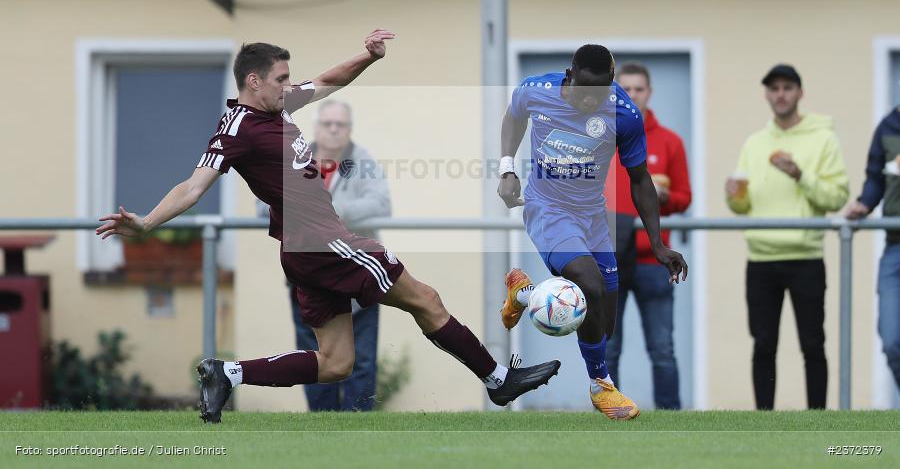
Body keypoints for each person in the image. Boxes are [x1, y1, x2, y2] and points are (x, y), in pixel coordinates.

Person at [97, 31, 560, 423]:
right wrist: (147, 224)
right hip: (324, 243)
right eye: (280, 79)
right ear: (253, 81)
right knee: (426, 299)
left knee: (336, 363)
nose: (288, 86)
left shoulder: (277, 106)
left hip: (306, 250)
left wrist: (368, 55)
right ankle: (499, 380)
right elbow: (194, 186)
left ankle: (228, 374)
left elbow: (326, 81)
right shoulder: (237, 128)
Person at [496, 44, 688, 420]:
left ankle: (525, 294)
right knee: (591, 285)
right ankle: (602, 387)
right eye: (584, 90)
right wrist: (507, 169)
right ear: (570, 75)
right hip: (548, 209)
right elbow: (513, 117)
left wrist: (658, 244)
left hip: (592, 218)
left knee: (602, 323)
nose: (590, 100)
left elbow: (640, 181)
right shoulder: (537, 90)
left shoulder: (623, 113)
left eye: (599, 92)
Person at [726, 64, 849, 410]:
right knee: (763, 344)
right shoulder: (754, 142)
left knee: (813, 343)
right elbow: (742, 205)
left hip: (806, 256)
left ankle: (819, 420)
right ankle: (763, 421)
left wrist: (801, 175)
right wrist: (733, 194)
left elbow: (837, 197)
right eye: (774, 88)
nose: (780, 95)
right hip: (761, 258)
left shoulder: (823, 138)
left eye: (787, 88)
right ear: (766, 94)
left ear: (800, 93)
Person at [604, 62, 692, 410]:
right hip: (609, 258)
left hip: (653, 262)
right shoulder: (599, 138)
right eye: (625, 88)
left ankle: (671, 418)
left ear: (649, 93)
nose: (633, 94)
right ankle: (611, 413)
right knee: (609, 347)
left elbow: (685, 198)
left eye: (639, 88)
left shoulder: (669, 141)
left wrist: (666, 199)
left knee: (662, 348)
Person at [293, 99, 390, 411]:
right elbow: (264, 204)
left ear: (349, 130)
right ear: (317, 127)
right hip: (307, 275)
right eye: (327, 124)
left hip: (358, 273)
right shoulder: (295, 159)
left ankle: (358, 428)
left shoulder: (363, 161)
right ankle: (320, 426)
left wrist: (328, 211)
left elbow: (380, 205)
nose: (334, 130)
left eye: (341, 125)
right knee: (314, 356)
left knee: (360, 359)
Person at [845, 107, 900, 393]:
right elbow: (875, 178)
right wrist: (865, 203)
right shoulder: (888, 126)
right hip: (896, 248)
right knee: (891, 339)